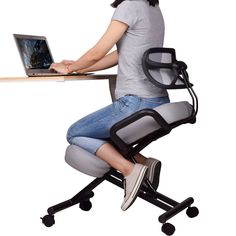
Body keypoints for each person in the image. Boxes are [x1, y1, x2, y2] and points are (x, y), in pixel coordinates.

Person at [50, 0, 170, 211]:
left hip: (136, 101)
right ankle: (143, 162)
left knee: (74, 133)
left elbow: (97, 52)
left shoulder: (129, 5)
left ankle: (129, 169)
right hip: (157, 99)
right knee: (95, 133)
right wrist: (75, 66)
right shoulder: (152, 8)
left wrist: (70, 69)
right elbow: (119, 55)